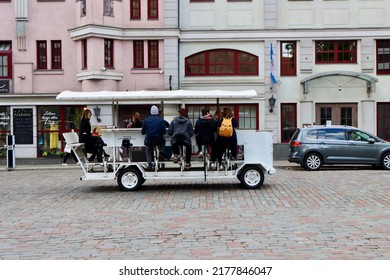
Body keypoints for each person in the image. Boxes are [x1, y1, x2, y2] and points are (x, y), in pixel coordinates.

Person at [141, 105, 167, 169]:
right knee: (163, 141)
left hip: (149, 140)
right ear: (157, 112)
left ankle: (149, 164)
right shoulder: (161, 120)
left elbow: (143, 132)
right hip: (158, 140)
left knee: (148, 148)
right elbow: (164, 131)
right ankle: (161, 152)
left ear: (150, 112)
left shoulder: (146, 120)